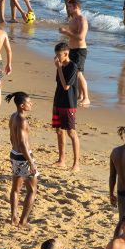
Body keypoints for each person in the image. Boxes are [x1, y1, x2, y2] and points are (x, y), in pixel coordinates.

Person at [6, 92, 39, 228]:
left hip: (14, 154)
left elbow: (12, 138)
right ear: (22, 105)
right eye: (29, 103)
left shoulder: (13, 116)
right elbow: (23, 144)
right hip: (23, 156)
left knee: (16, 188)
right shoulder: (22, 120)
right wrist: (31, 162)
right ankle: (23, 221)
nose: (31, 104)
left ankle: (14, 217)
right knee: (32, 190)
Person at [50, 42, 80, 171]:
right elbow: (59, 84)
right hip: (58, 101)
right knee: (58, 130)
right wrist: (59, 67)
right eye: (56, 55)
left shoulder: (73, 66)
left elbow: (66, 86)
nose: (57, 58)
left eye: (59, 55)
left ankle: (76, 164)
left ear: (66, 54)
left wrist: (59, 68)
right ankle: (61, 159)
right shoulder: (60, 65)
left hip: (69, 103)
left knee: (71, 132)